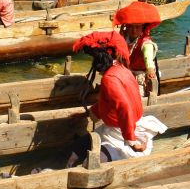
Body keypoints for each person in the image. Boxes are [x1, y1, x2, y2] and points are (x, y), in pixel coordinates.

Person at [68, 31, 167, 165]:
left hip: (120, 133)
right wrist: (87, 114)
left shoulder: (109, 79)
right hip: (116, 128)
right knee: (78, 147)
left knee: (89, 162)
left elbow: (124, 107)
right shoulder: (122, 69)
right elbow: (106, 102)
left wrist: (131, 141)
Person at [114, 1, 161, 97]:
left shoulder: (146, 43)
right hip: (126, 72)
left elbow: (148, 58)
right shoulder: (125, 37)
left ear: (143, 28)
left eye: (137, 27)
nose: (133, 30)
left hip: (141, 76)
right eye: (131, 27)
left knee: (135, 96)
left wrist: (150, 69)